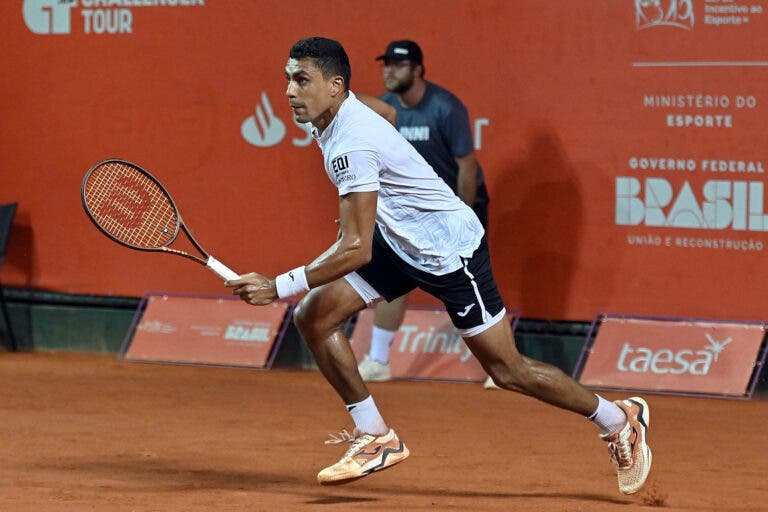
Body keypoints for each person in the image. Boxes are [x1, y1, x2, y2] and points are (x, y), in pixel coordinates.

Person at [227, 36, 651, 495]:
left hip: (450, 253)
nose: (289, 91)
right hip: (400, 242)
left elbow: (355, 249)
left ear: (334, 86)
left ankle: (618, 419)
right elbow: (390, 115)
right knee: (314, 314)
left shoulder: (351, 142)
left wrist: (277, 285)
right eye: (288, 79)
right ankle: (375, 436)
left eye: (301, 80)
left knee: (506, 371)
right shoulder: (337, 113)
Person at [356, 40, 495, 387]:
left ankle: (499, 367)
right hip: (409, 215)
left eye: (398, 65)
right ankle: (377, 361)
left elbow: (467, 167)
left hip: (455, 209)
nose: (389, 70)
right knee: (393, 282)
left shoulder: (445, 108)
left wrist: (463, 216)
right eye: (385, 64)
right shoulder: (384, 108)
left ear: (418, 69)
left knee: (467, 287)